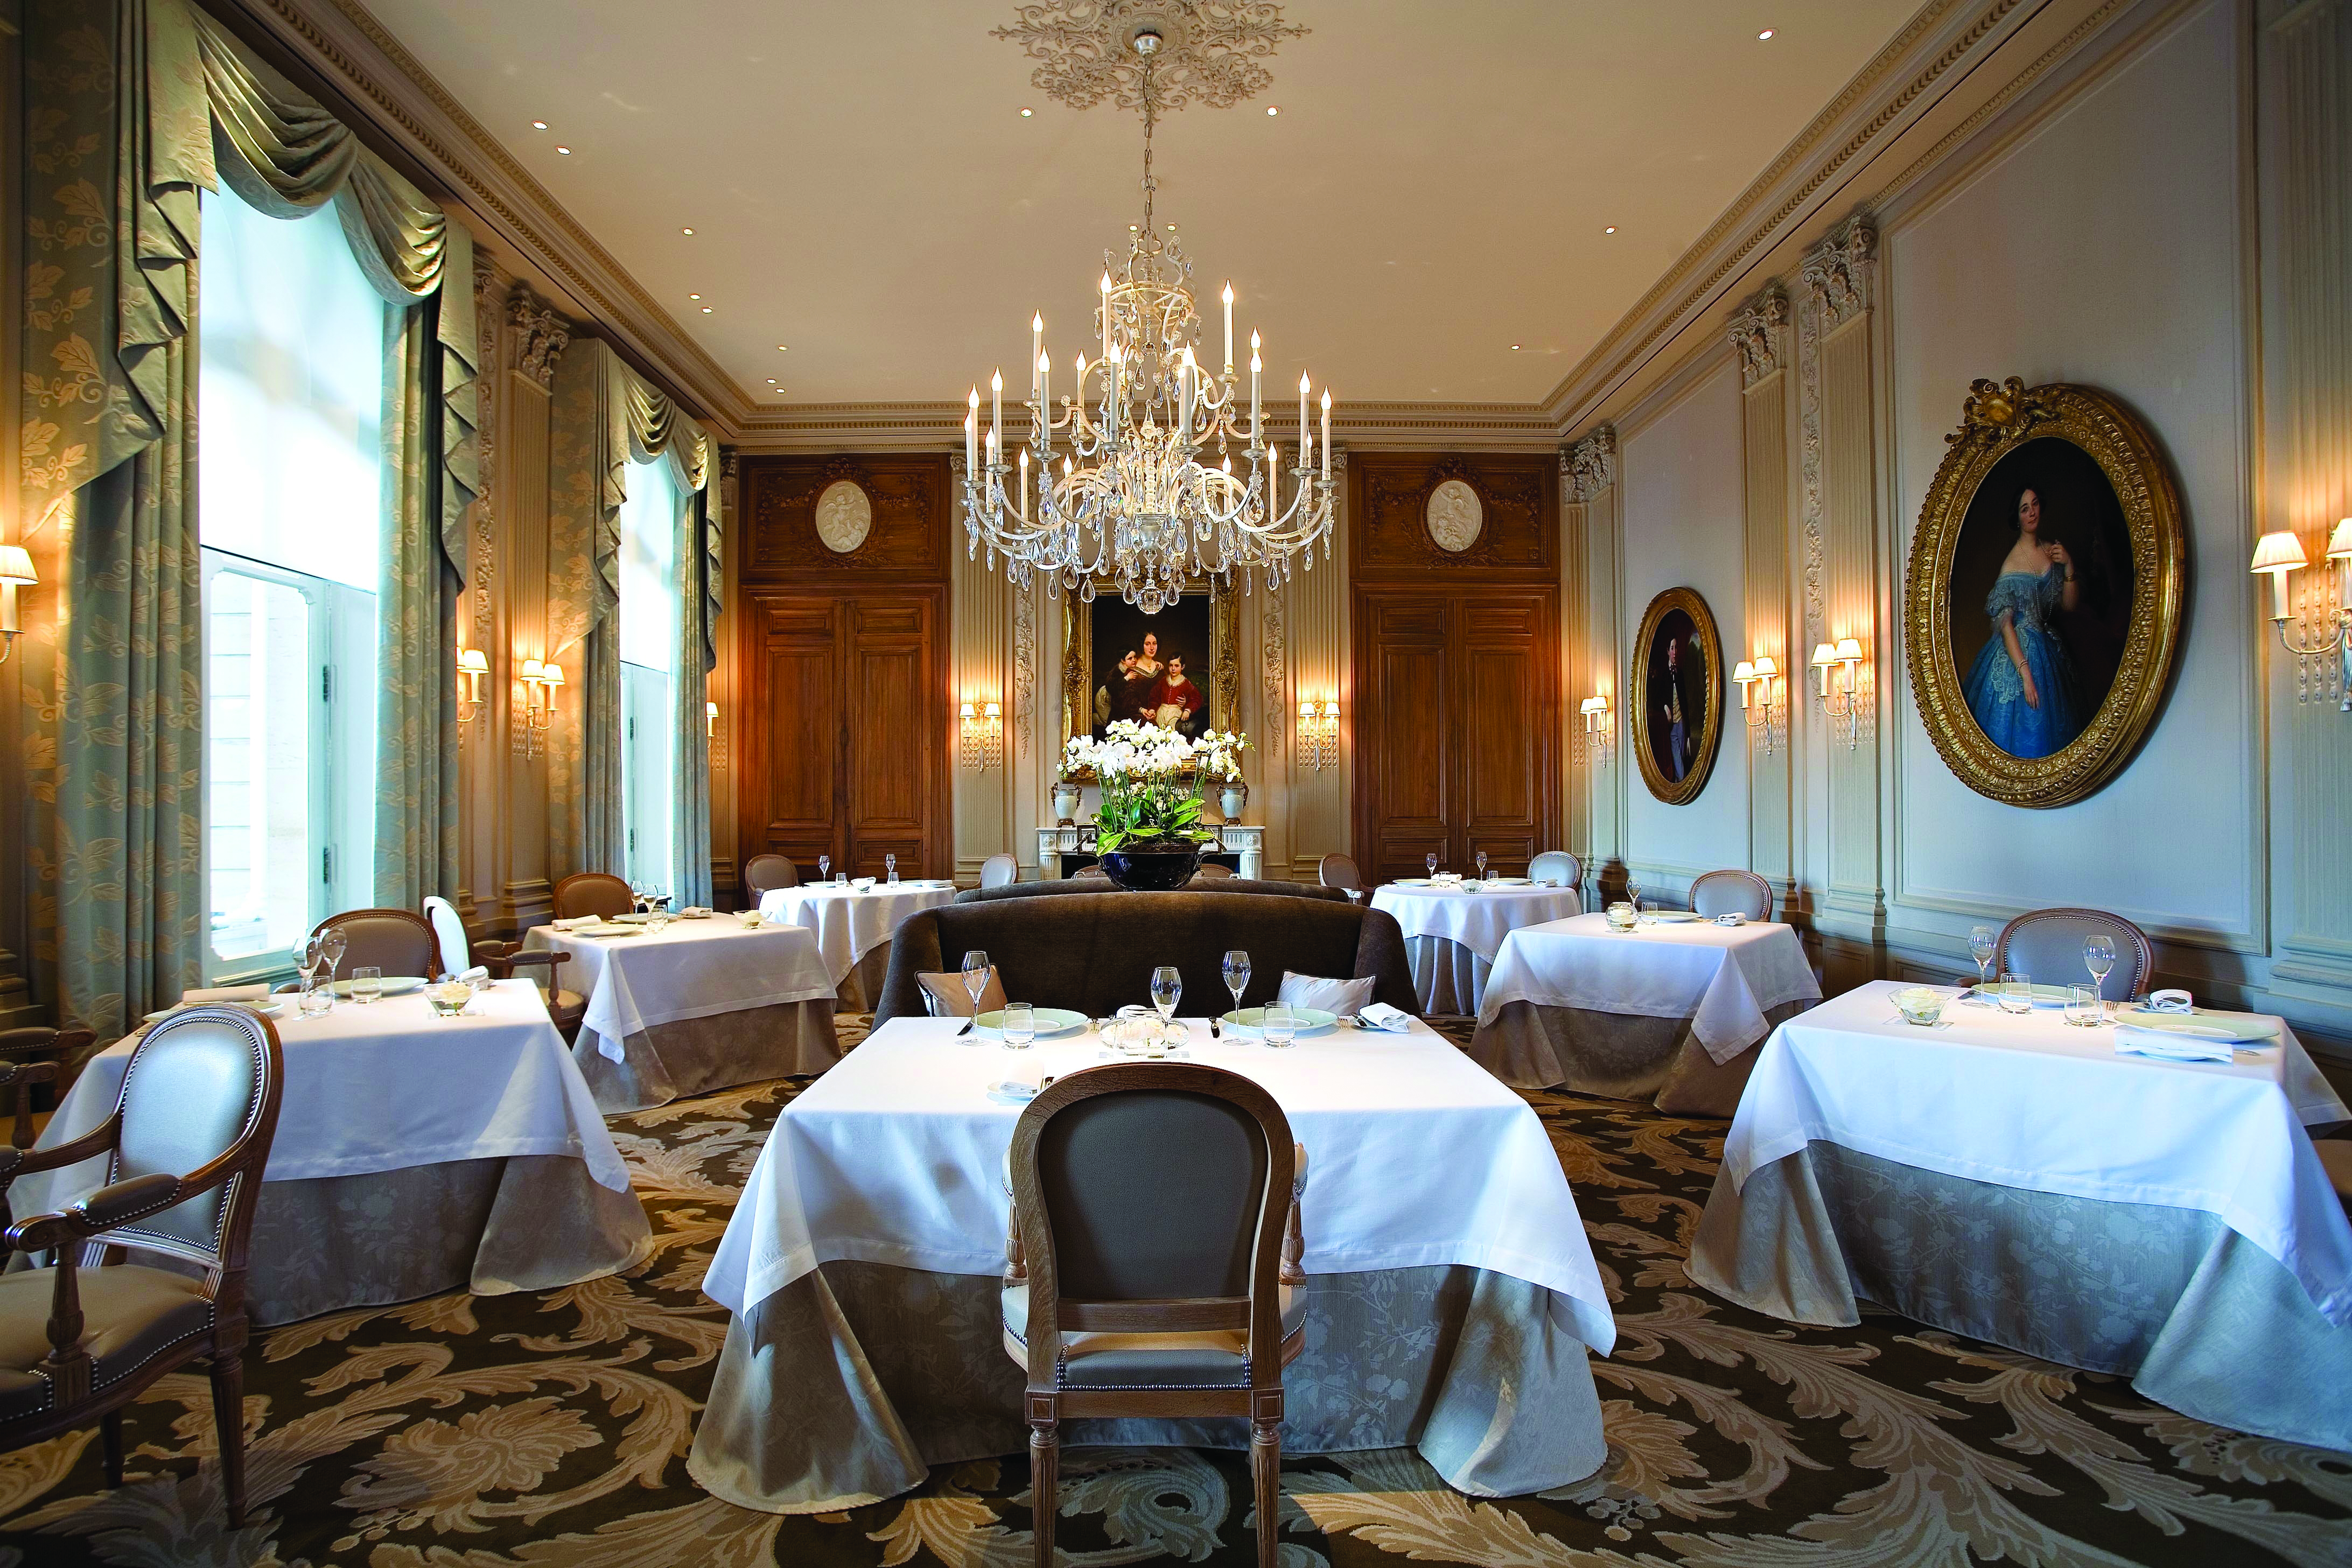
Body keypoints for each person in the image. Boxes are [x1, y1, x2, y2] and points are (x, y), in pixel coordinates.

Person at [1961, 485, 2081, 758]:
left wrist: (2070, 565)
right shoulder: (2011, 566)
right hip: (2019, 654)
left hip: (2048, 647)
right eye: (2025, 509)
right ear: (2017, 518)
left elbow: (2069, 606)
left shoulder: (2053, 551)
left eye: (2035, 505)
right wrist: (2026, 675)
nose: (2032, 513)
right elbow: (2006, 626)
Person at [1146, 653, 1204, 735]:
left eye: (1177, 666)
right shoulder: (1163, 681)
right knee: (1158, 734)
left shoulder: (1186, 684)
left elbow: (1197, 698)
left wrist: (1188, 710)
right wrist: (1153, 709)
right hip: (1161, 713)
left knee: (1171, 735)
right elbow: (1154, 696)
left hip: (1176, 714)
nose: (1173, 669)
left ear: (1182, 667)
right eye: (1171, 666)